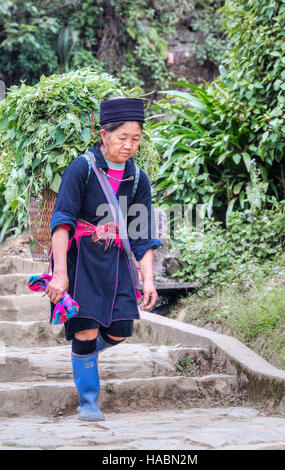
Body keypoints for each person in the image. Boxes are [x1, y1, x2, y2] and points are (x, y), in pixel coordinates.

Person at [45, 97, 163, 421]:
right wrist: (59, 274)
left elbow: (142, 234)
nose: (129, 145)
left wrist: (149, 280)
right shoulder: (81, 169)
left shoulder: (137, 179)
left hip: (115, 262)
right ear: (104, 135)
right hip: (80, 260)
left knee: (120, 330)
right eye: (122, 137)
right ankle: (88, 401)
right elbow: (62, 221)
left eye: (136, 139)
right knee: (84, 328)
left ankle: (82, 357)